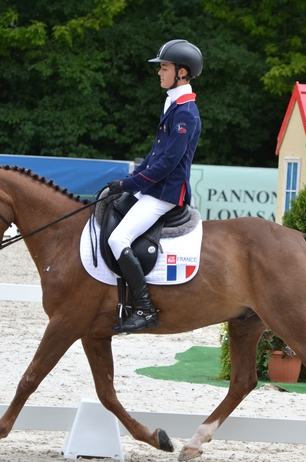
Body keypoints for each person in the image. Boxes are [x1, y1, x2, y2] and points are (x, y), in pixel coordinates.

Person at [106, 39, 203, 334]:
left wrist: (129, 182)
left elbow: (168, 165)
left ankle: (145, 309)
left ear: (182, 73)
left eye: (164, 68)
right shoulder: (173, 104)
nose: (159, 73)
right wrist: (133, 180)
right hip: (152, 188)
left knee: (117, 239)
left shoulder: (186, 112)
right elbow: (155, 154)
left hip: (166, 194)